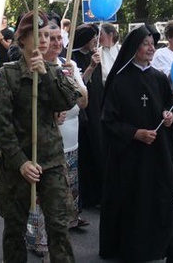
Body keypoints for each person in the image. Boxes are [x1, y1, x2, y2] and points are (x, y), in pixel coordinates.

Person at [0, 10, 78, 263]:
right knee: (15, 230)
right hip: (18, 165)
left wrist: (46, 75)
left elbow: (68, 101)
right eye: (38, 34)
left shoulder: (54, 72)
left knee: (59, 228)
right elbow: (0, 127)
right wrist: (21, 162)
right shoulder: (7, 75)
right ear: (23, 39)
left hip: (51, 163)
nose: (45, 40)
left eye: (48, 34)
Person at [99, 24, 173, 263]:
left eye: (153, 44)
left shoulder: (159, 78)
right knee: (134, 201)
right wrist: (135, 133)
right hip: (129, 155)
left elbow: (168, 106)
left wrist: (169, 117)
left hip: (157, 151)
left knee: (164, 196)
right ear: (134, 48)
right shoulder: (120, 81)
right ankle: (134, 250)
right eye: (145, 44)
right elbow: (108, 120)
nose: (151, 48)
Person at [26, 20, 89, 258]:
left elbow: (84, 102)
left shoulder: (68, 66)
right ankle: (35, 236)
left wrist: (73, 82)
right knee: (40, 195)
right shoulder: (35, 68)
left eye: (58, 39)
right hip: (43, 146)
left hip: (70, 143)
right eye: (50, 38)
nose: (55, 43)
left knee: (62, 198)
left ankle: (57, 238)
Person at [71, 23, 105, 209]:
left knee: (98, 150)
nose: (95, 41)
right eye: (93, 38)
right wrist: (91, 66)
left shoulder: (95, 56)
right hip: (84, 112)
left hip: (97, 109)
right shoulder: (73, 58)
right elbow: (78, 85)